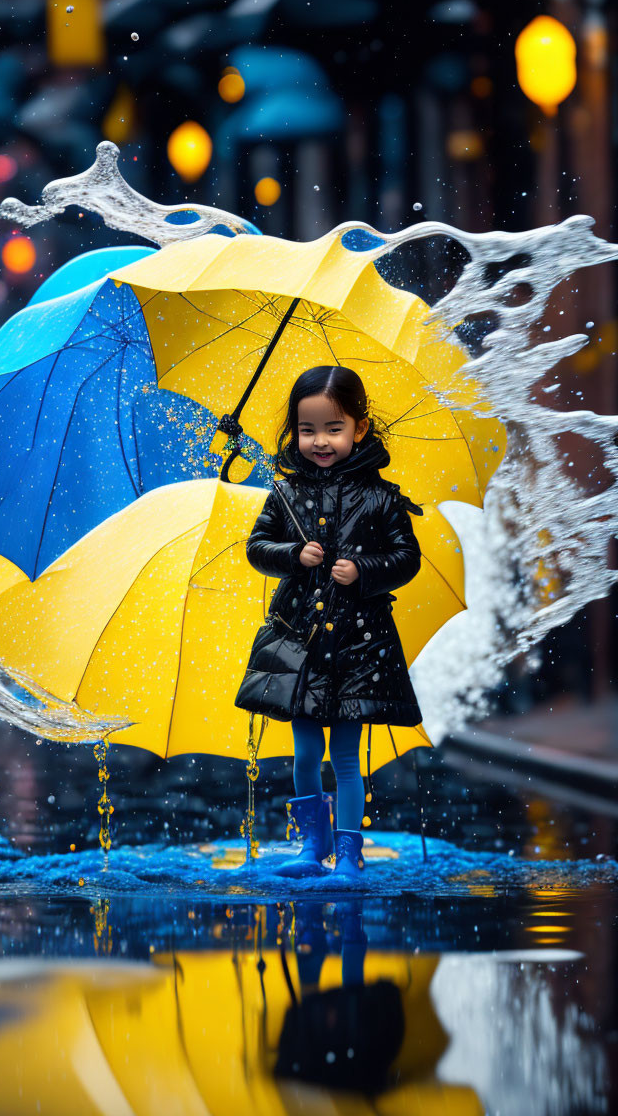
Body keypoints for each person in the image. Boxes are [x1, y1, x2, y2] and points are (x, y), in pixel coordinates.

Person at [235, 365, 425, 881]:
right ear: (294, 430)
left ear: (359, 429)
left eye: (333, 429)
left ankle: (348, 852)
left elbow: (407, 558)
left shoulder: (383, 498)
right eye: (307, 429)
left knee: (345, 756)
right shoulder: (285, 494)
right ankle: (309, 846)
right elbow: (257, 548)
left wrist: (364, 570)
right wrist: (294, 554)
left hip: (358, 647)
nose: (319, 441)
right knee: (303, 751)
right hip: (298, 644)